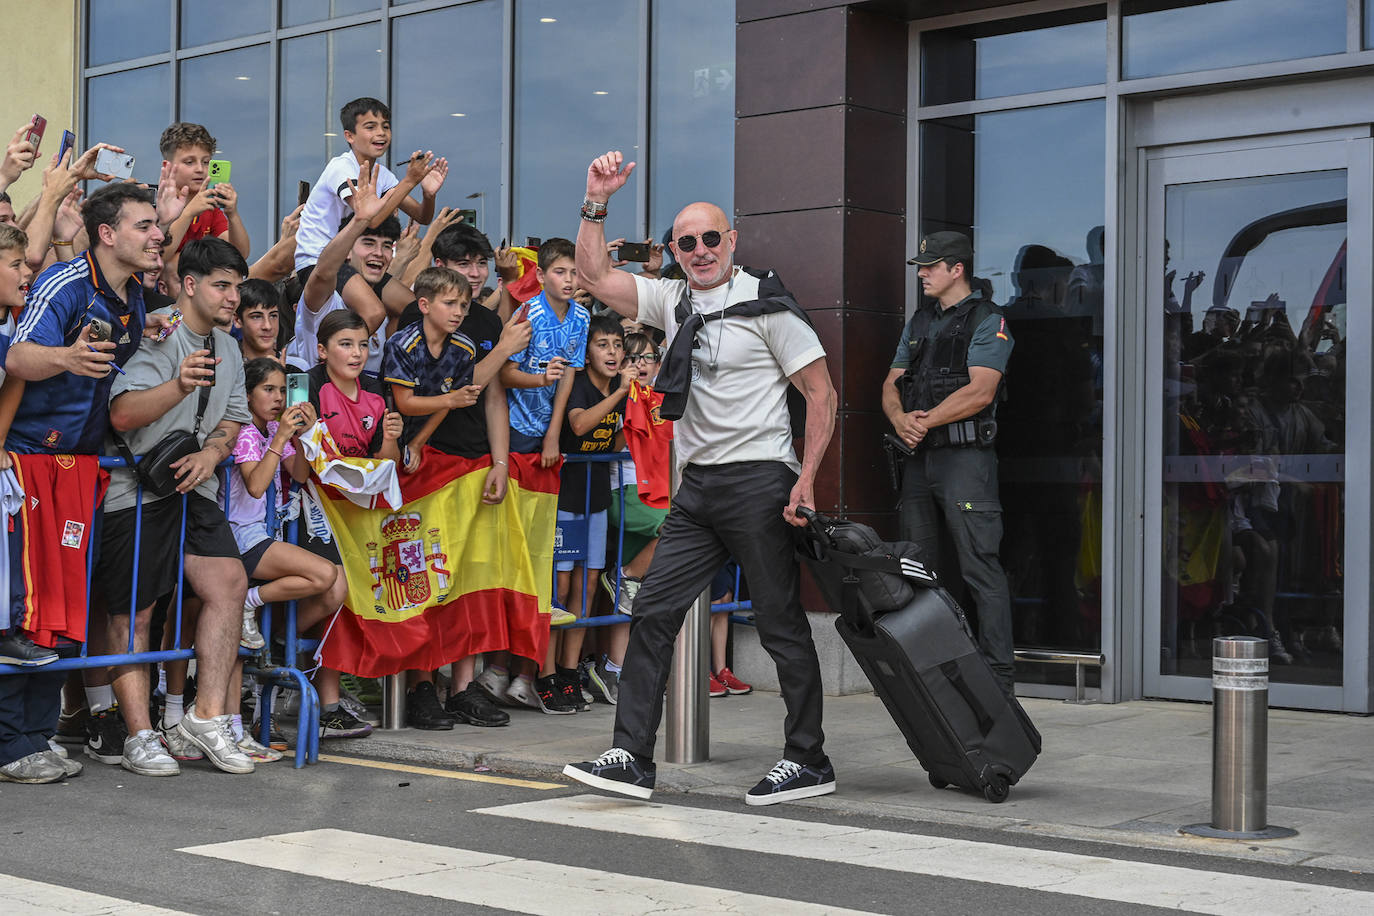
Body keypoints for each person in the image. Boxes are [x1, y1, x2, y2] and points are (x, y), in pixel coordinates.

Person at [564, 151, 838, 806]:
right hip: (698, 490)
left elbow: (822, 395)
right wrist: (595, 198)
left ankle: (808, 759)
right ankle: (631, 756)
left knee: (778, 623)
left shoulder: (766, 305)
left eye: (710, 238)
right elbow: (595, 275)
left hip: (761, 480)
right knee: (653, 610)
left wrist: (807, 481)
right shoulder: (673, 300)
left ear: (732, 241)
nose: (699, 249)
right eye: (686, 242)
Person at [99, 237, 256, 776]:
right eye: (222, 285)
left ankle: (206, 717)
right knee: (136, 611)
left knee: (230, 583)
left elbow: (234, 418)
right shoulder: (157, 330)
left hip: (196, 485)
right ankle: (138, 734)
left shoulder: (230, 347)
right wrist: (177, 384)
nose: (234, 297)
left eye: (237, 286)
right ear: (189, 285)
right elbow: (120, 415)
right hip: (136, 488)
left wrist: (213, 452)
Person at [881, 230, 1016, 693]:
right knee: (919, 569)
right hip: (920, 462)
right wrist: (900, 418)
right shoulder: (919, 322)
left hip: (965, 461)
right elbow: (891, 382)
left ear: (956, 269)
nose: (922, 273)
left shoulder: (987, 320)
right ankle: (935, 673)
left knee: (980, 567)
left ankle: (998, 680)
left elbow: (981, 390)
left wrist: (925, 421)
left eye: (931, 265)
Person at [380, 266, 507, 729]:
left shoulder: (465, 348)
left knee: (452, 576)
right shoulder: (402, 343)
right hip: (391, 457)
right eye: (450, 304)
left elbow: (447, 403)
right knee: (413, 575)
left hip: (427, 455)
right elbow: (406, 403)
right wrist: (435, 417)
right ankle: (418, 687)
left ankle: (454, 688)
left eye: (464, 304)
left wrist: (422, 440)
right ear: (425, 304)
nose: (459, 311)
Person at [225, 357, 362, 743]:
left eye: (283, 390)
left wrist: (303, 434)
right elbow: (255, 486)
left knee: (336, 587)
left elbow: (299, 474)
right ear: (248, 393)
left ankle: (276, 642)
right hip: (243, 536)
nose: (278, 397)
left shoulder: (272, 429)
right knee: (323, 574)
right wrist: (281, 438)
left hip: (271, 534)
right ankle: (250, 602)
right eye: (268, 389)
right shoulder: (247, 433)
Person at [497, 238, 590, 713]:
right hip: (512, 432)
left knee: (541, 552)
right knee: (508, 549)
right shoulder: (525, 313)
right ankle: (503, 667)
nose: (569, 280)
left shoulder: (581, 317)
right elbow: (504, 374)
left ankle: (531, 672)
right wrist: (539, 381)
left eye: (574, 272)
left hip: (543, 436)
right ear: (544, 275)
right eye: (559, 271)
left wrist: (554, 434)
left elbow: (570, 375)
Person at [554, 314, 631, 712]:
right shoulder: (581, 384)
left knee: (586, 587)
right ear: (587, 351)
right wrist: (620, 395)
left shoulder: (621, 390)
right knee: (560, 590)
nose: (613, 352)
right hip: (567, 497)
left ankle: (570, 672)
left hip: (598, 495)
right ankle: (547, 674)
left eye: (618, 345)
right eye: (603, 345)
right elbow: (581, 425)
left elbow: (616, 438)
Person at [294, 97, 446, 277]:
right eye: (370, 127)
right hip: (317, 262)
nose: (381, 133)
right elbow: (369, 220)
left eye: (386, 126)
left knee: (407, 303)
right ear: (349, 136)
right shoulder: (341, 168)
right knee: (373, 307)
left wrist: (429, 195)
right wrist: (409, 181)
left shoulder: (382, 174)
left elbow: (422, 216)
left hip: (350, 262)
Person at [285, 161, 399, 375]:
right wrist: (360, 220)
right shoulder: (326, 300)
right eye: (368, 243)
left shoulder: (382, 312)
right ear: (347, 250)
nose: (379, 253)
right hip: (317, 404)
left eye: (386, 246)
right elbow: (322, 272)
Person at [157, 122, 250, 258]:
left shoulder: (209, 206)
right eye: (189, 162)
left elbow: (240, 255)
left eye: (206, 162)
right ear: (168, 166)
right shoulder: (153, 203)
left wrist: (232, 215)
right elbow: (158, 256)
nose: (200, 169)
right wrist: (189, 213)